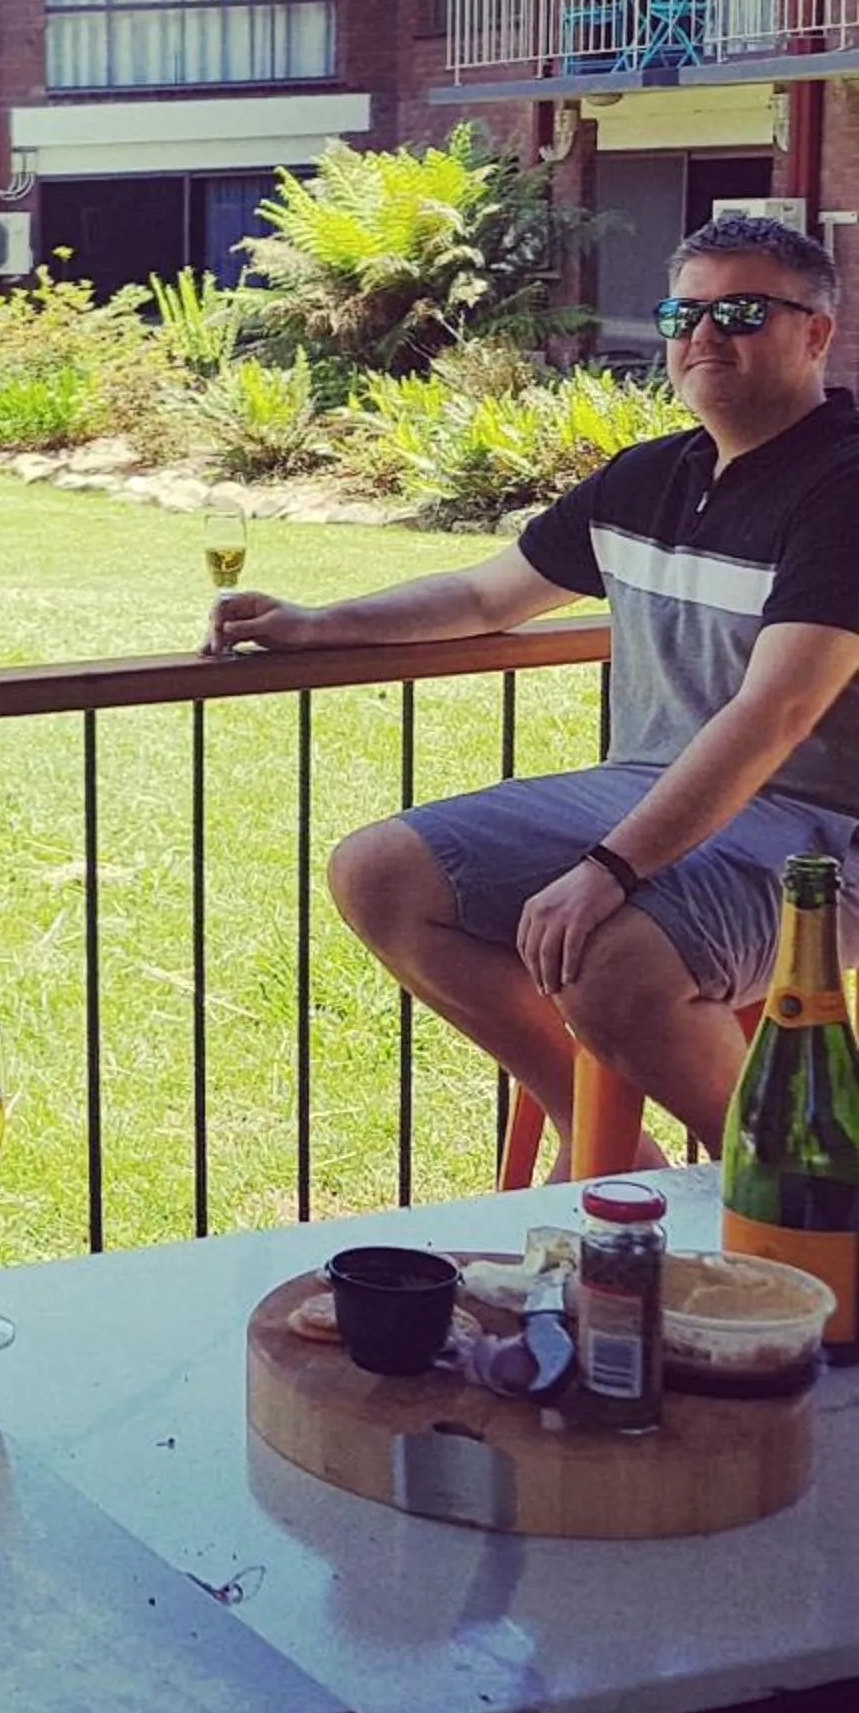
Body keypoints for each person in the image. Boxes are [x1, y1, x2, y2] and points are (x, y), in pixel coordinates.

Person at [210, 210, 859, 1169]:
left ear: (817, 333)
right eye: (685, 311)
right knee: (381, 872)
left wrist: (609, 870)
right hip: (654, 785)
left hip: (823, 832)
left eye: (745, 311)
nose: (705, 334)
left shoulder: (843, 485)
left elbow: (779, 713)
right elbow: (486, 593)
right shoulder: (649, 478)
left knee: (616, 962)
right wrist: (312, 623)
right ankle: (607, 1143)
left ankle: (804, 1201)